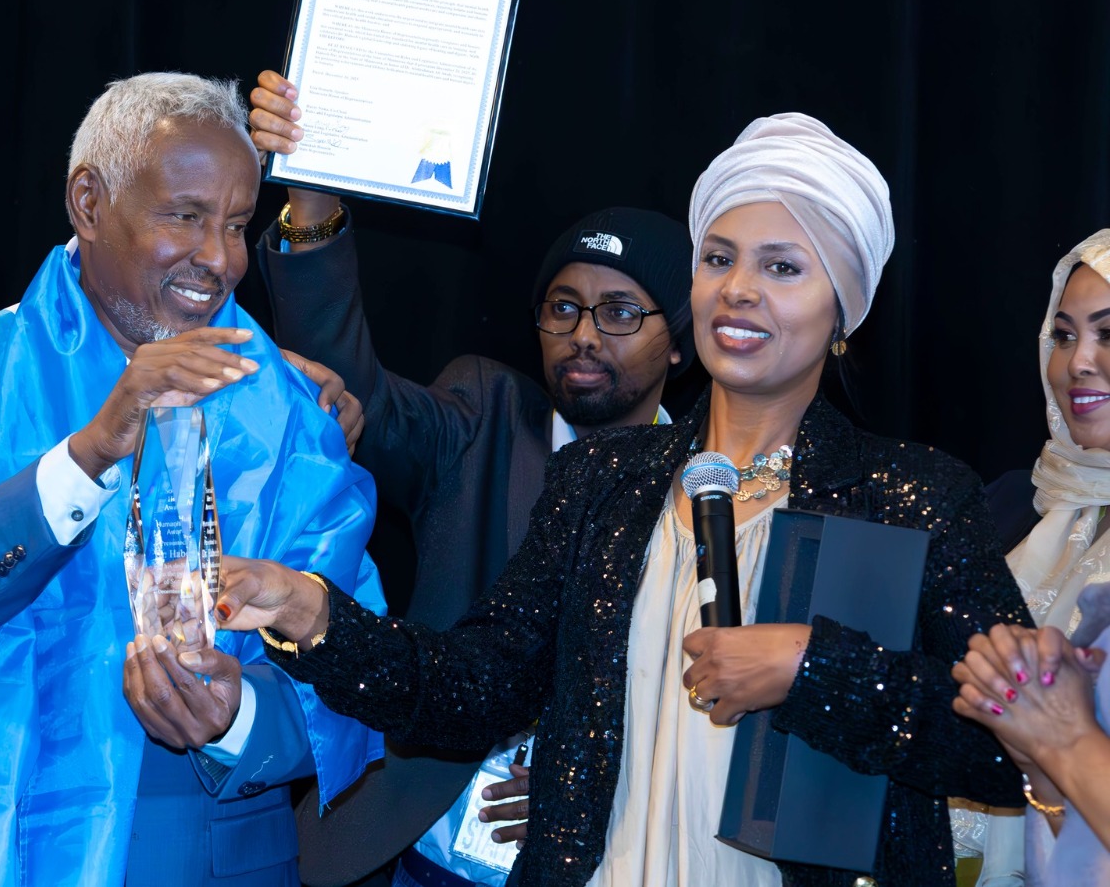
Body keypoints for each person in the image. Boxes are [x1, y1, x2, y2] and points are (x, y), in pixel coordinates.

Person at [213, 112, 1034, 887]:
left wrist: (811, 667)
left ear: (844, 312)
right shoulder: (603, 480)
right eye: (719, 260)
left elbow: (1010, 749)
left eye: (782, 267)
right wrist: (316, 616)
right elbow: (479, 687)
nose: (739, 289)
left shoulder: (908, 498)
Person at [0, 72, 386, 887]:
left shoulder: (290, 414)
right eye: (185, 216)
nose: (219, 259)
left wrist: (237, 715)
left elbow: (363, 664)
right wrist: (89, 453)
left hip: (203, 860)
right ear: (89, 203)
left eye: (235, 225)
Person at [248, 72, 695, 887]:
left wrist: (593, 782)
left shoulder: (710, 491)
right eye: (563, 308)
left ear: (678, 343)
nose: (584, 334)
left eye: (620, 312)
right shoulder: (486, 416)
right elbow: (352, 394)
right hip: (418, 848)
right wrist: (312, 203)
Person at [952, 229, 1110, 886]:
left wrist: (1060, 737)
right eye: (1064, 335)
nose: (1078, 363)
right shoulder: (1013, 504)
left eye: (1108, 334)